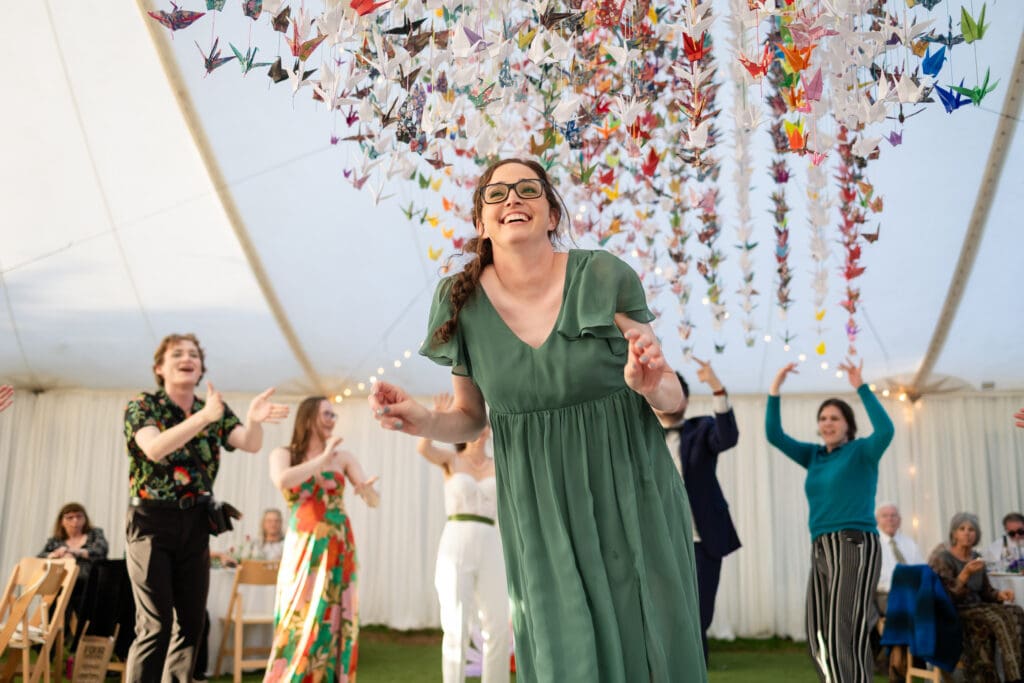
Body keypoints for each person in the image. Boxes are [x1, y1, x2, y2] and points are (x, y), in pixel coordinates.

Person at [369, 158, 707, 682]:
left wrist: (651, 383)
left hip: (631, 491)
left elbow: (673, 399)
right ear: (481, 223)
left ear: (552, 214)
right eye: (496, 193)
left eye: (528, 189)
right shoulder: (459, 303)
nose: (512, 199)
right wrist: (422, 420)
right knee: (563, 652)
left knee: (647, 641)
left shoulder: (603, 276)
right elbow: (469, 418)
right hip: (539, 508)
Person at [123, 332, 289, 681]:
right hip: (152, 520)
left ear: (201, 369)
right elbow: (154, 449)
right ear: (159, 368)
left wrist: (254, 419)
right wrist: (203, 418)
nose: (188, 358)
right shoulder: (143, 405)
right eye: (177, 354)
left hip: (196, 520)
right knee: (156, 624)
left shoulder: (213, 409)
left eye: (194, 355)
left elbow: (250, 443)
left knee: (192, 622)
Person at [766, 358, 894, 683]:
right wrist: (775, 388)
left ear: (848, 424)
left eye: (834, 418)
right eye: (823, 418)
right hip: (821, 546)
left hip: (854, 543)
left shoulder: (862, 451)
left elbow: (886, 430)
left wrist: (861, 387)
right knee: (818, 633)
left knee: (843, 630)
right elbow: (774, 435)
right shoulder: (814, 456)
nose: (827, 423)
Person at [265, 396, 379, 683]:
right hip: (304, 546)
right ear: (308, 418)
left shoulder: (344, 457)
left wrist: (367, 491)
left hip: (340, 545)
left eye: (333, 415)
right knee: (299, 612)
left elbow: (372, 499)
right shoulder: (283, 454)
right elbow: (283, 480)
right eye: (326, 414)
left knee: (337, 613)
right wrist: (323, 456)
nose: (332, 420)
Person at [651, 361, 739, 664]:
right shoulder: (641, 436)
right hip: (657, 539)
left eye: (677, 394)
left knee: (699, 611)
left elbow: (727, 437)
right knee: (660, 609)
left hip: (702, 538)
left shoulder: (701, 429)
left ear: (685, 400)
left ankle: (695, 665)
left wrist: (717, 388)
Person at [418, 393, 509, 683]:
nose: (481, 432)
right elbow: (424, 448)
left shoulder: (500, 464)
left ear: (489, 430)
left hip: (491, 542)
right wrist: (436, 417)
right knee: (455, 623)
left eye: (485, 426)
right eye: (476, 426)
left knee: (498, 624)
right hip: (455, 542)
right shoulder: (451, 460)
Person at [928, 512, 1024, 681]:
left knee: (1016, 611)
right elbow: (946, 597)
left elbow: (985, 591)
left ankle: (1015, 671)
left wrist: (1000, 594)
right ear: (954, 534)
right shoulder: (943, 558)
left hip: (979, 607)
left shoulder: (976, 558)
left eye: (971, 529)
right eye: (962, 529)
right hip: (956, 610)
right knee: (999, 618)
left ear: (976, 534)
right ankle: (1014, 677)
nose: (967, 533)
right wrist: (965, 574)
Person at [37, 502, 109, 629]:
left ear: (85, 518)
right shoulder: (55, 541)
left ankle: (59, 630)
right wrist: (55, 555)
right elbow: (40, 558)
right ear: (62, 521)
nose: (75, 521)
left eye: (79, 516)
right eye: (70, 517)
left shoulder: (95, 534)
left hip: (89, 581)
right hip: (63, 582)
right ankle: (52, 630)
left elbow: (101, 551)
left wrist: (73, 552)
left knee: (61, 592)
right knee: (54, 591)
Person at [875, 502, 924, 615]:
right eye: (885, 516)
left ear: (899, 520)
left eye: (893, 515)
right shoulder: (873, 545)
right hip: (886, 594)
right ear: (877, 521)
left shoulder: (909, 543)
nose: (890, 519)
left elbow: (921, 569)